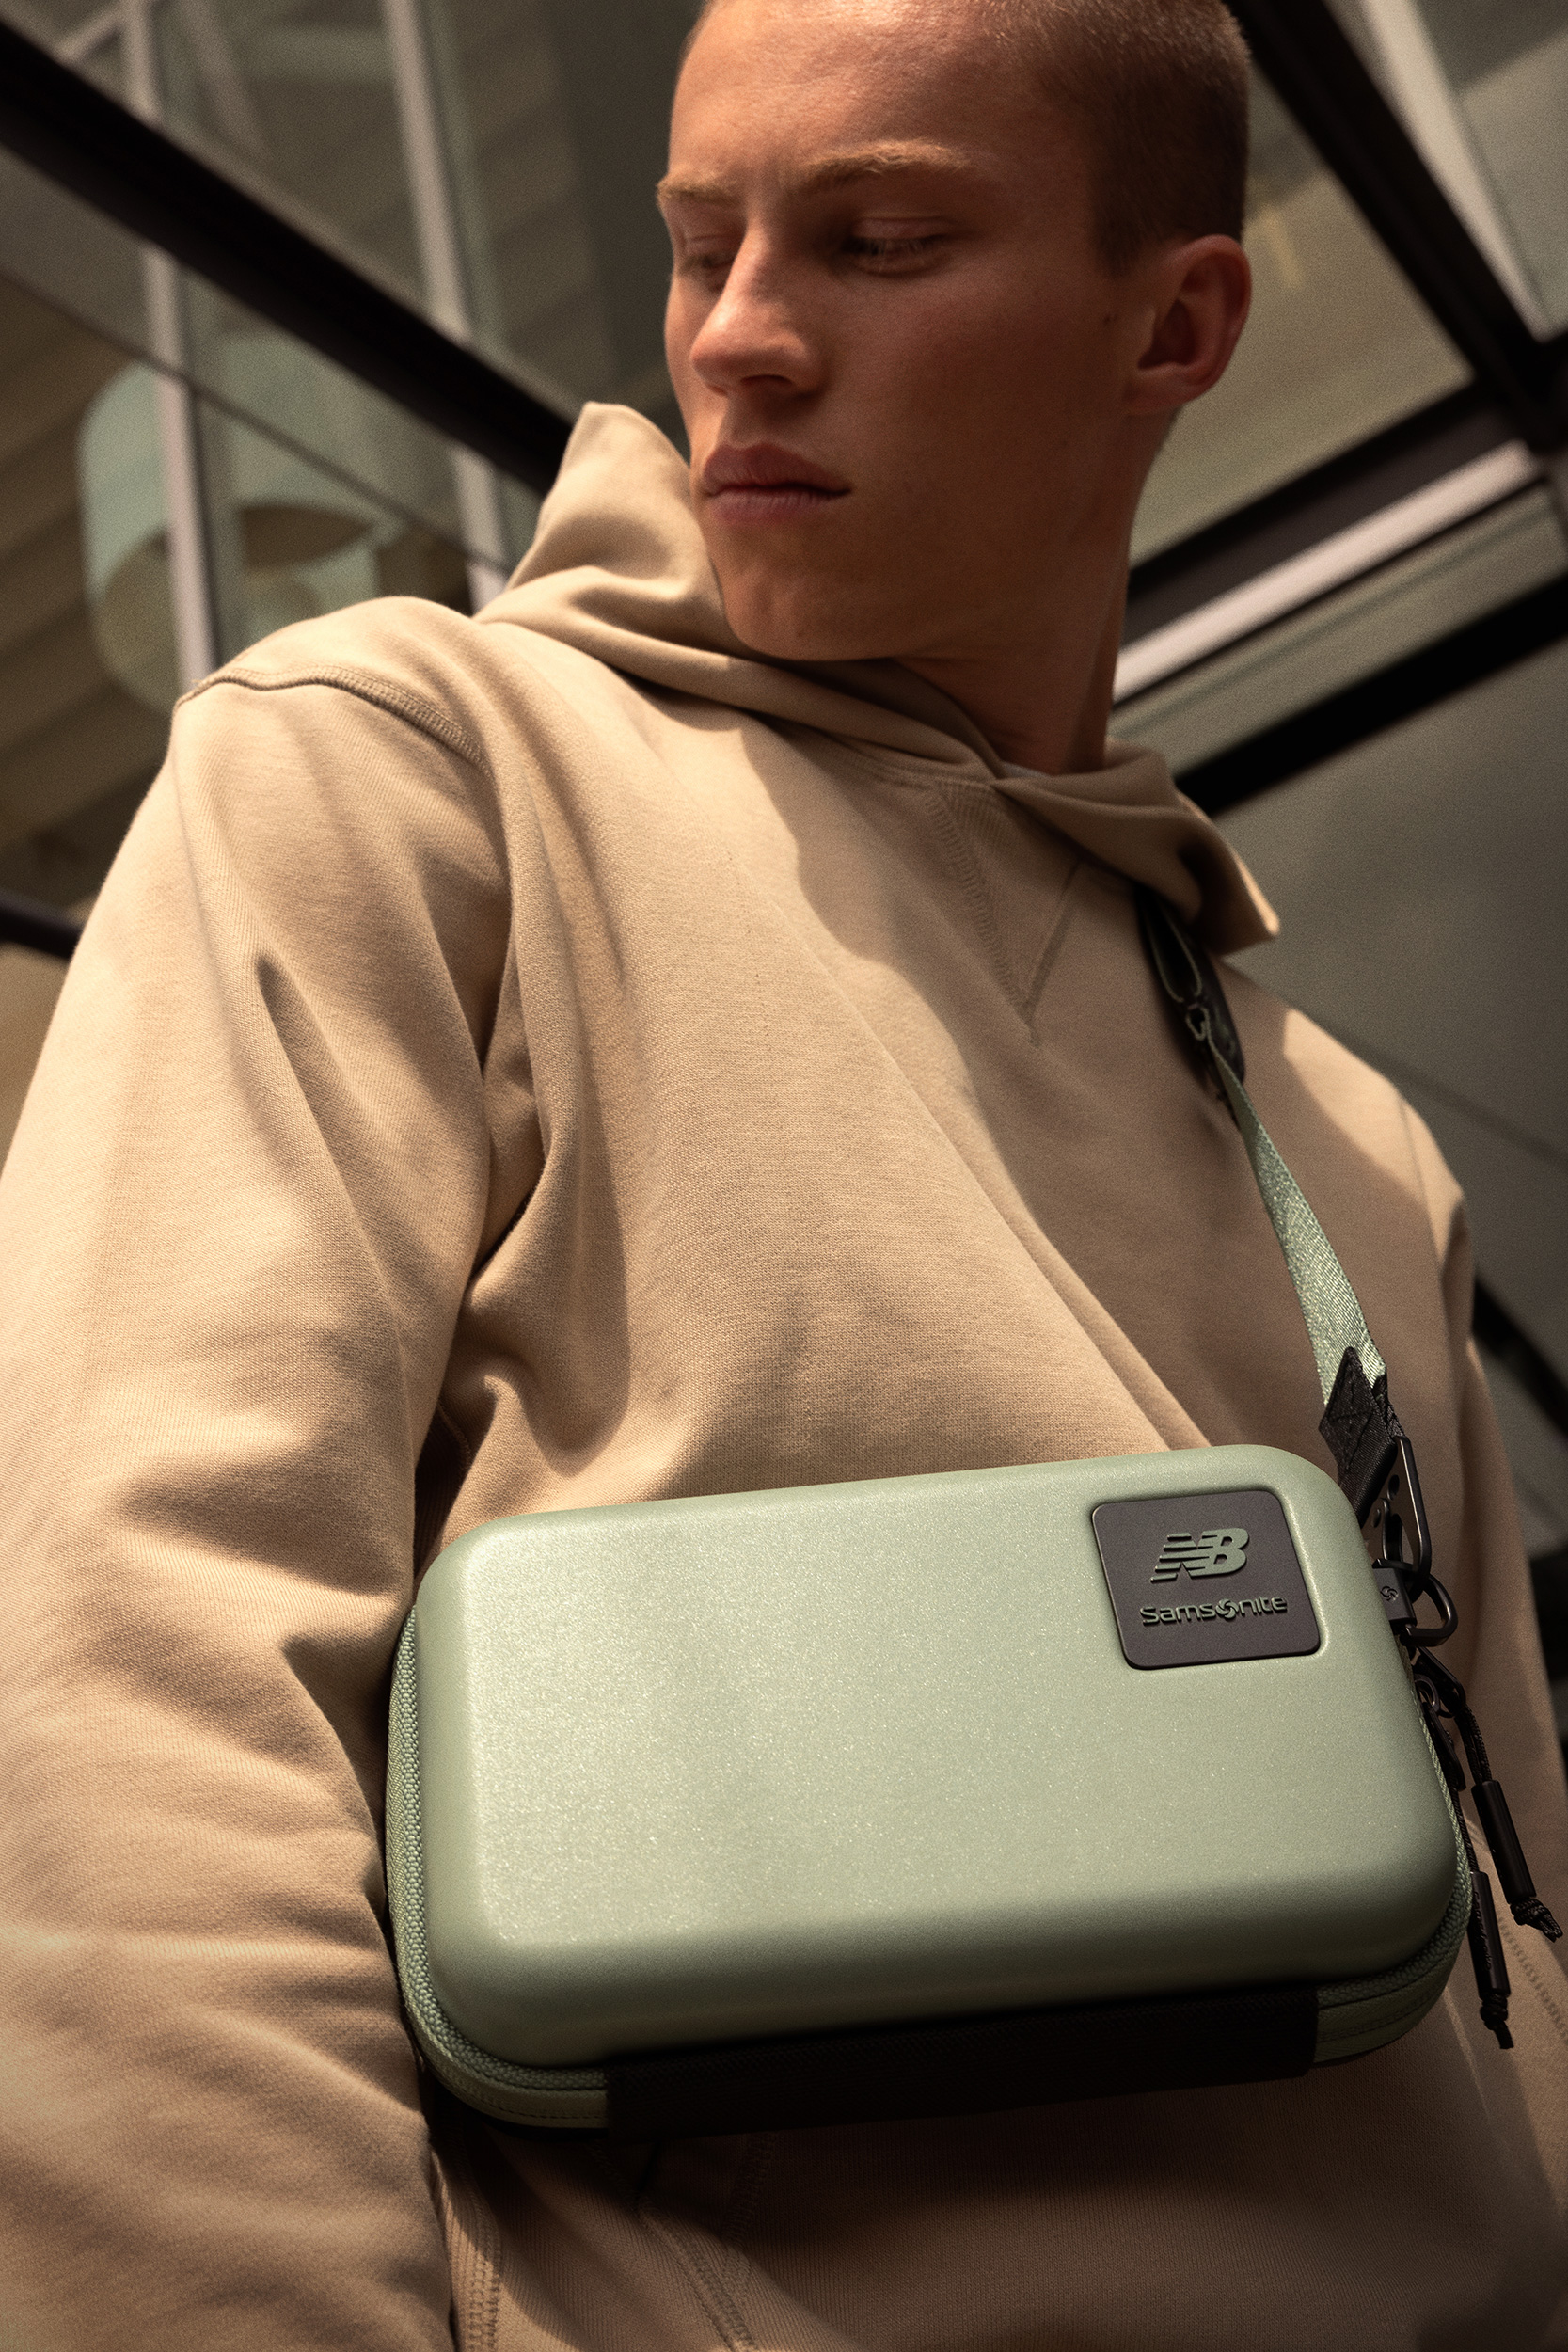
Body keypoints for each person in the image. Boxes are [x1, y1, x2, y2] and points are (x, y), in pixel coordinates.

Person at [1, 0, 1564, 2343]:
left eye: (877, 238)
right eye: (697, 240)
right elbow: (127, 1715)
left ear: (1175, 324)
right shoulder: (406, 773)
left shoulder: (1348, 1142)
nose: (736, 334)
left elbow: (1518, 1947)